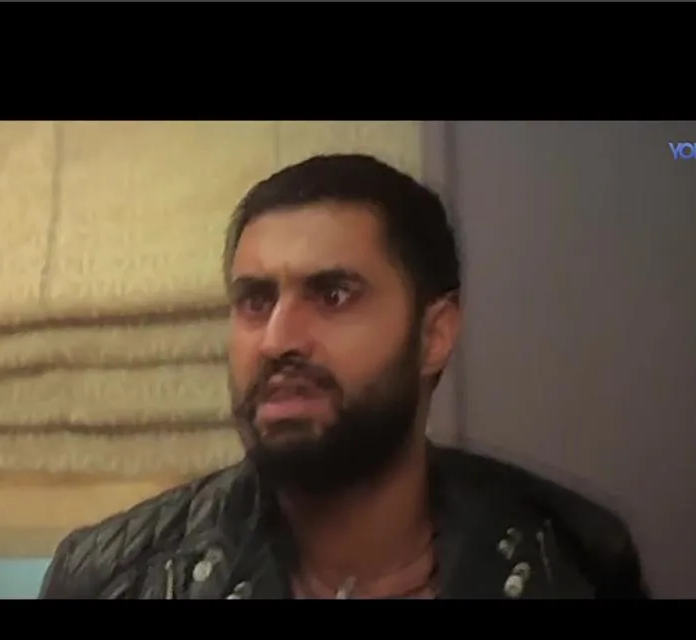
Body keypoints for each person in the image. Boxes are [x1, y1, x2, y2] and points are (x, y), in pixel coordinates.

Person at [39, 154, 648, 600]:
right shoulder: (111, 581)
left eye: (332, 295)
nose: (277, 339)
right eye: (255, 301)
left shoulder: (574, 563)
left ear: (434, 335)